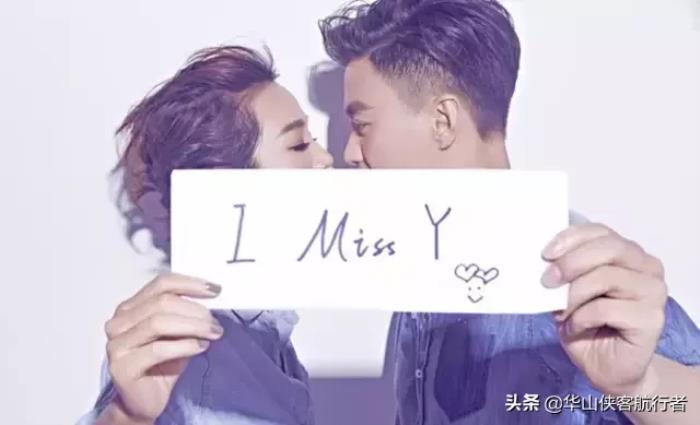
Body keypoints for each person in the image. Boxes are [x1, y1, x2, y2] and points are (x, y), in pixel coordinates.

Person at [319, 0, 700, 424]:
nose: (350, 153)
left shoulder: (572, 266)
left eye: (362, 126)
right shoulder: (416, 271)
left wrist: (641, 384)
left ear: (443, 121)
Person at [78, 45, 331, 425]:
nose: (325, 159)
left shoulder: (261, 334)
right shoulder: (194, 353)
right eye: (297, 144)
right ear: (225, 186)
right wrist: (127, 417)